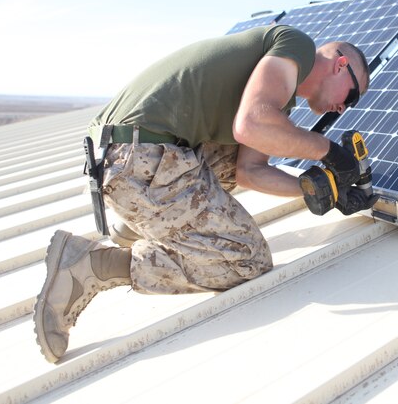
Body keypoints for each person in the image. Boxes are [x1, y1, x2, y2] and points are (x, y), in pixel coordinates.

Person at [33, 24, 377, 363]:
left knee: (243, 149)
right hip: (133, 157)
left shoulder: (276, 100)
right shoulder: (297, 44)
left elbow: (247, 171)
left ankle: (137, 226)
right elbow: (251, 124)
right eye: (351, 96)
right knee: (246, 260)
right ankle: (92, 265)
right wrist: (328, 150)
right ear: (340, 64)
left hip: (126, 153)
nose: (344, 108)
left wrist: (321, 192)